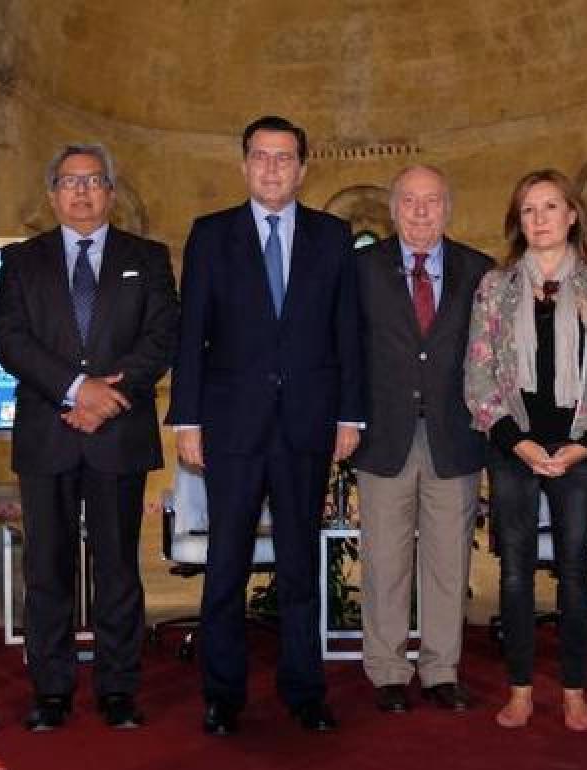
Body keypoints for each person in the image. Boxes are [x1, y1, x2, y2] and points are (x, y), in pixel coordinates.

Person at [166, 115, 363, 736]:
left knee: (301, 566)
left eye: (284, 158)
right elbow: (190, 333)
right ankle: (223, 695)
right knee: (226, 565)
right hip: (231, 427)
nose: (272, 168)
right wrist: (189, 419)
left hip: (307, 424)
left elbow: (347, 333)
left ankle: (305, 691)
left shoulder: (333, 236)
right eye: (260, 156)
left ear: (304, 168)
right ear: (244, 163)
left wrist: (349, 415)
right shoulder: (211, 234)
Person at [0, 143, 179, 731]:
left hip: (117, 432)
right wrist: (76, 390)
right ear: (52, 194)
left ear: (110, 192)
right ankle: (50, 690)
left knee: (118, 566)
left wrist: (108, 399)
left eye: (93, 180)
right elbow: (9, 338)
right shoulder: (23, 260)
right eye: (69, 181)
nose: (81, 191)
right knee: (46, 568)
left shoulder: (146, 257)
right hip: (49, 431)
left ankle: (118, 688)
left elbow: (164, 333)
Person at [464, 170, 587, 731]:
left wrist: (585, 447)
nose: (539, 219)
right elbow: (479, 375)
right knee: (513, 573)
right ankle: (519, 689)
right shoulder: (495, 287)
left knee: (576, 571)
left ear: (572, 215)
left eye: (550, 207)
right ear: (520, 221)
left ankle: (574, 690)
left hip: (578, 451)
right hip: (514, 449)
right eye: (529, 209)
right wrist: (519, 443)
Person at [352, 165, 492, 714]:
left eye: (431, 201)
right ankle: (386, 669)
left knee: (447, 561)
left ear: (447, 207)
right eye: (409, 200)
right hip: (383, 433)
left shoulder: (479, 270)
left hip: (454, 437)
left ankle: (440, 670)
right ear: (393, 208)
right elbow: (344, 351)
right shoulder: (359, 269)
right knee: (383, 559)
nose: (419, 211)